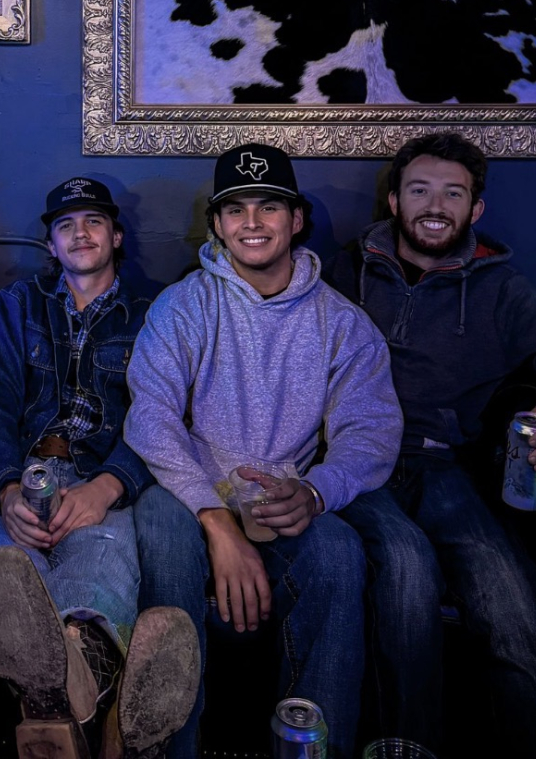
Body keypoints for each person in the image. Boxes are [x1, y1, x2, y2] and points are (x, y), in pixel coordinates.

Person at [323, 131, 536, 758]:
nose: (436, 206)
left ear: (475, 208)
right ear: (395, 202)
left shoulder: (502, 290)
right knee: (407, 576)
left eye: (453, 194)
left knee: (512, 601)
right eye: (419, 190)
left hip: (441, 465)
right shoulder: (343, 271)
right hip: (351, 458)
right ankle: (406, 750)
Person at [124, 143, 402, 759]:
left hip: (284, 500)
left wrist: (315, 492)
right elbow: (151, 417)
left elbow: (371, 429)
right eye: (236, 209)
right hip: (191, 494)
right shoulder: (184, 305)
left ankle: (311, 751)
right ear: (218, 225)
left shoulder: (341, 322)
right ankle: (170, 748)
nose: (252, 222)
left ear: (296, 220)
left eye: (268, 207)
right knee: (159, 525)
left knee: (339, 551)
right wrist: (216, 519)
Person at [0, 177, 199, 759]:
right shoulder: (17, 305)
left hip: (100, 482)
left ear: (116, 236)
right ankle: (101, 715)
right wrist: (6, 490)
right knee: (6, 568)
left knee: (99, 562)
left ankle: (55, 707)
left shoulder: (152, 314)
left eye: (93, 221)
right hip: (21, 475)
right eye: (66, 225)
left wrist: (109, 486)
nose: (80, 233)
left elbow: (160, 414)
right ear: (51, 245)